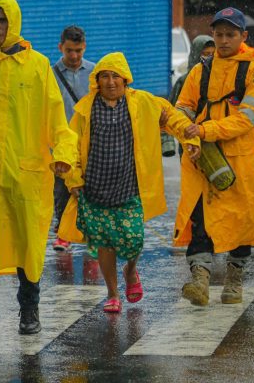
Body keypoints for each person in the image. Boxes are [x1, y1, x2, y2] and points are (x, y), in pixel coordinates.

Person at [0, 0, 78, 348]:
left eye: (2, 20)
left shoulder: (38, 66)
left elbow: (58, 122)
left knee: (28, 242)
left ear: (14, 21)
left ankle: (30, 309)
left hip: (27, 174)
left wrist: (64, 156)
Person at [57, 52, 200, 313]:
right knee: (106, 244)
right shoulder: (85, 110)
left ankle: (131, 270)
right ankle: (112, 294)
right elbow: (70, 144)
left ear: (125, 80)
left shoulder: (144, 103)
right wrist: (73, 178)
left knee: (134, 239)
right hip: (95, 190)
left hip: (130, 189)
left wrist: (190, 139)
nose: (110, 82)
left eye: (115, 76)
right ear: (96, 81)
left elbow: (173, 119)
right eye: (104, 77)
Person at [173, 7, 254, 306]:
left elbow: (247, 119)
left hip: (244, 161)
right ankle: (200, 279)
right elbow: (182, 109)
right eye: (219, 34)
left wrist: (204, 131)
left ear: (244, 36)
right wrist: (187, 135)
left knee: (241, 221)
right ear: (212, 35)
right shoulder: (199, 71)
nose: (224, 40)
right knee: (200, 216)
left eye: (231, 34)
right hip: (203, 159)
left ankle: (234, 277)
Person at [51, 25, 95, 252]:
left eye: (78, 50)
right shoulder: (51, 74)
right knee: (62, 190)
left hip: (90, 141)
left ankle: (91, 235)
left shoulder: (95, 72)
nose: (74, 55)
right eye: (69, 50)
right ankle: (63, 233)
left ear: (84, 47)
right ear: (61, 47)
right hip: (62, 143)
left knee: (91, 188)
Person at [164, 35, 217, 157]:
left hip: (214, 138)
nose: (209, 57)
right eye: (205, 53)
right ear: (195, 54)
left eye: (212, 53)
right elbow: (170, 112)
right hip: (189, 140)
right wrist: (168, 143)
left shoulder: (220, 78)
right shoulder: (184, 81)